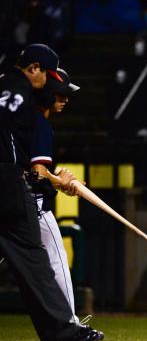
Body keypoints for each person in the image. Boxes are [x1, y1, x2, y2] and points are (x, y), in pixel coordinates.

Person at [0, 43, 103, 341]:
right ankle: (62, 331)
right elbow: (36, 167)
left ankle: (62, 330)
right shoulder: (25, 99)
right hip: (7, 182)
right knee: (34, 258)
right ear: (33, 69)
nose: (50, 86)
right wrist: (54, 179)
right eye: (48, 77)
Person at [30, 68, 82, 323]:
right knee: (57, 259)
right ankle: (70, 323)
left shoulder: (18, 119)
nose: (65, 100)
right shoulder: (39, 123)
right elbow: (37, 173)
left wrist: (57, 182)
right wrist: (59, 182)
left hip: (11, 198)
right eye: (60, 95)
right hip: (30, 205)